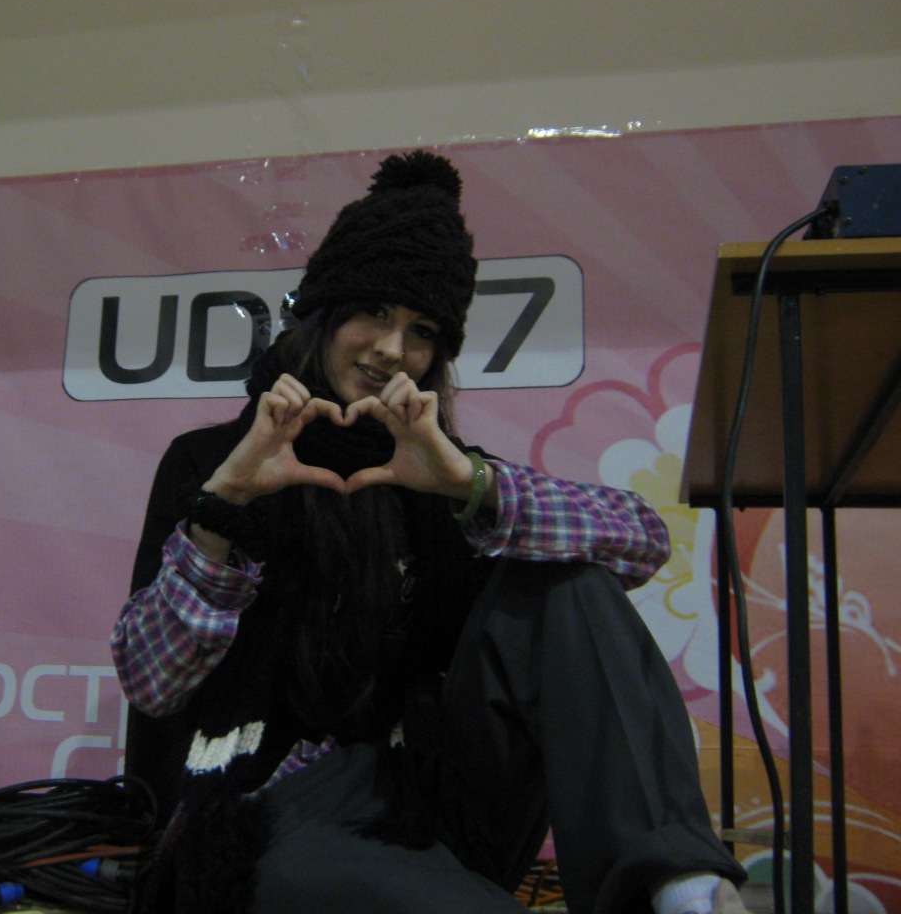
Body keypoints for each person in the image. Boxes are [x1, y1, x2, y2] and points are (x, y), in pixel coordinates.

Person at [112, 151, 750, 914]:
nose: (392, 350)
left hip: (430, 803)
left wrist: (471, 487)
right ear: (322, 315)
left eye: (421, 331)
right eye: (374, 312)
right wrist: (225, 508)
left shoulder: (439, 469)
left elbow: (641, 539)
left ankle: (677, 886)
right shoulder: (212, 463)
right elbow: (152, 685)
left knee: (569, 581)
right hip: (270, 812)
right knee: (314, 877)